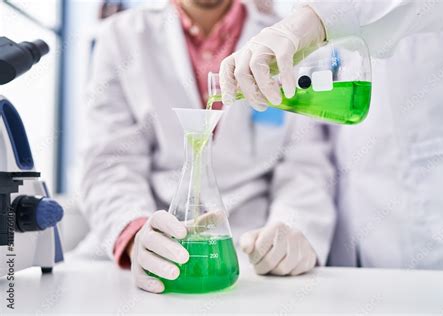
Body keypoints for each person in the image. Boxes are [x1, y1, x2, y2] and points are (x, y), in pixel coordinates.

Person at [80, 0, 336, 294]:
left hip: (253, 253)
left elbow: (305, 165)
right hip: (151, 245)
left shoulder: (290, 40)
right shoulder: (121, 36)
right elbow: (110, 163)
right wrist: (136, 234)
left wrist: (293, 230)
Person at [219, 0, 443, 269]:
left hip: (439, 224)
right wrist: (297, 227)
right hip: (357, 239)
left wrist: (315, 19)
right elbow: (311, 151)